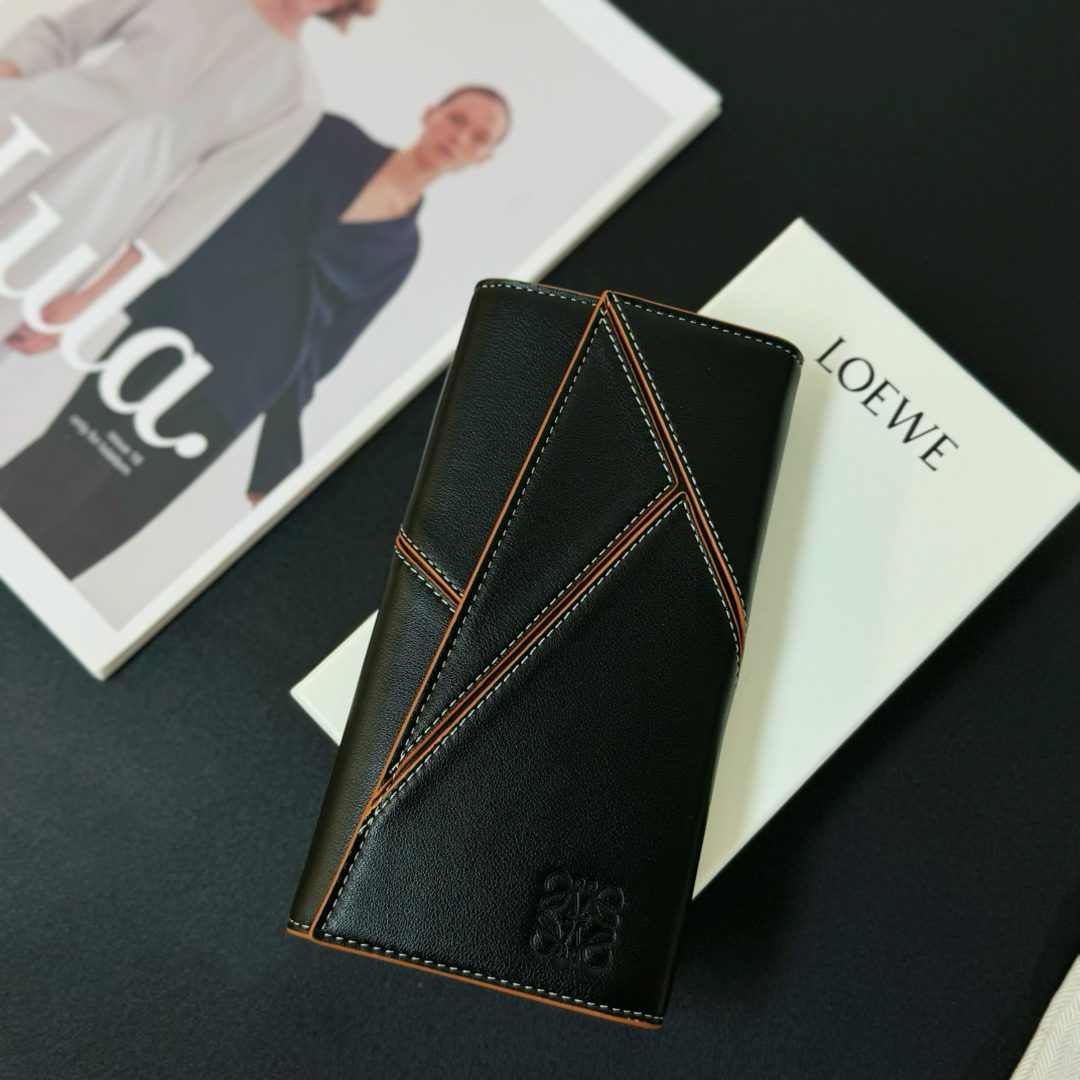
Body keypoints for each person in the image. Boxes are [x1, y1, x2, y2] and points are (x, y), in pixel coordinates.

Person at [0, 86, 511, 578]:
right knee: (58, 465)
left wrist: (275, 464)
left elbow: (321, 353)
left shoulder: (400, 249)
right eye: (457, 119)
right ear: (430, 113)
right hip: (174, 333)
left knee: (108, 521)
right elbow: (207, 204)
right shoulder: (331, 138)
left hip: (237, 393)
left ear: (484, 158)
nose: (460, 137)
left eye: (479, 137)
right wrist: (91, 299)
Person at [0, 0, 379, 345]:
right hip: (24, 128)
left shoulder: (296, 97)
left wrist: (87, 303)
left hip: (86, 212)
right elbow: (60, 34)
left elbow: (191, 214)